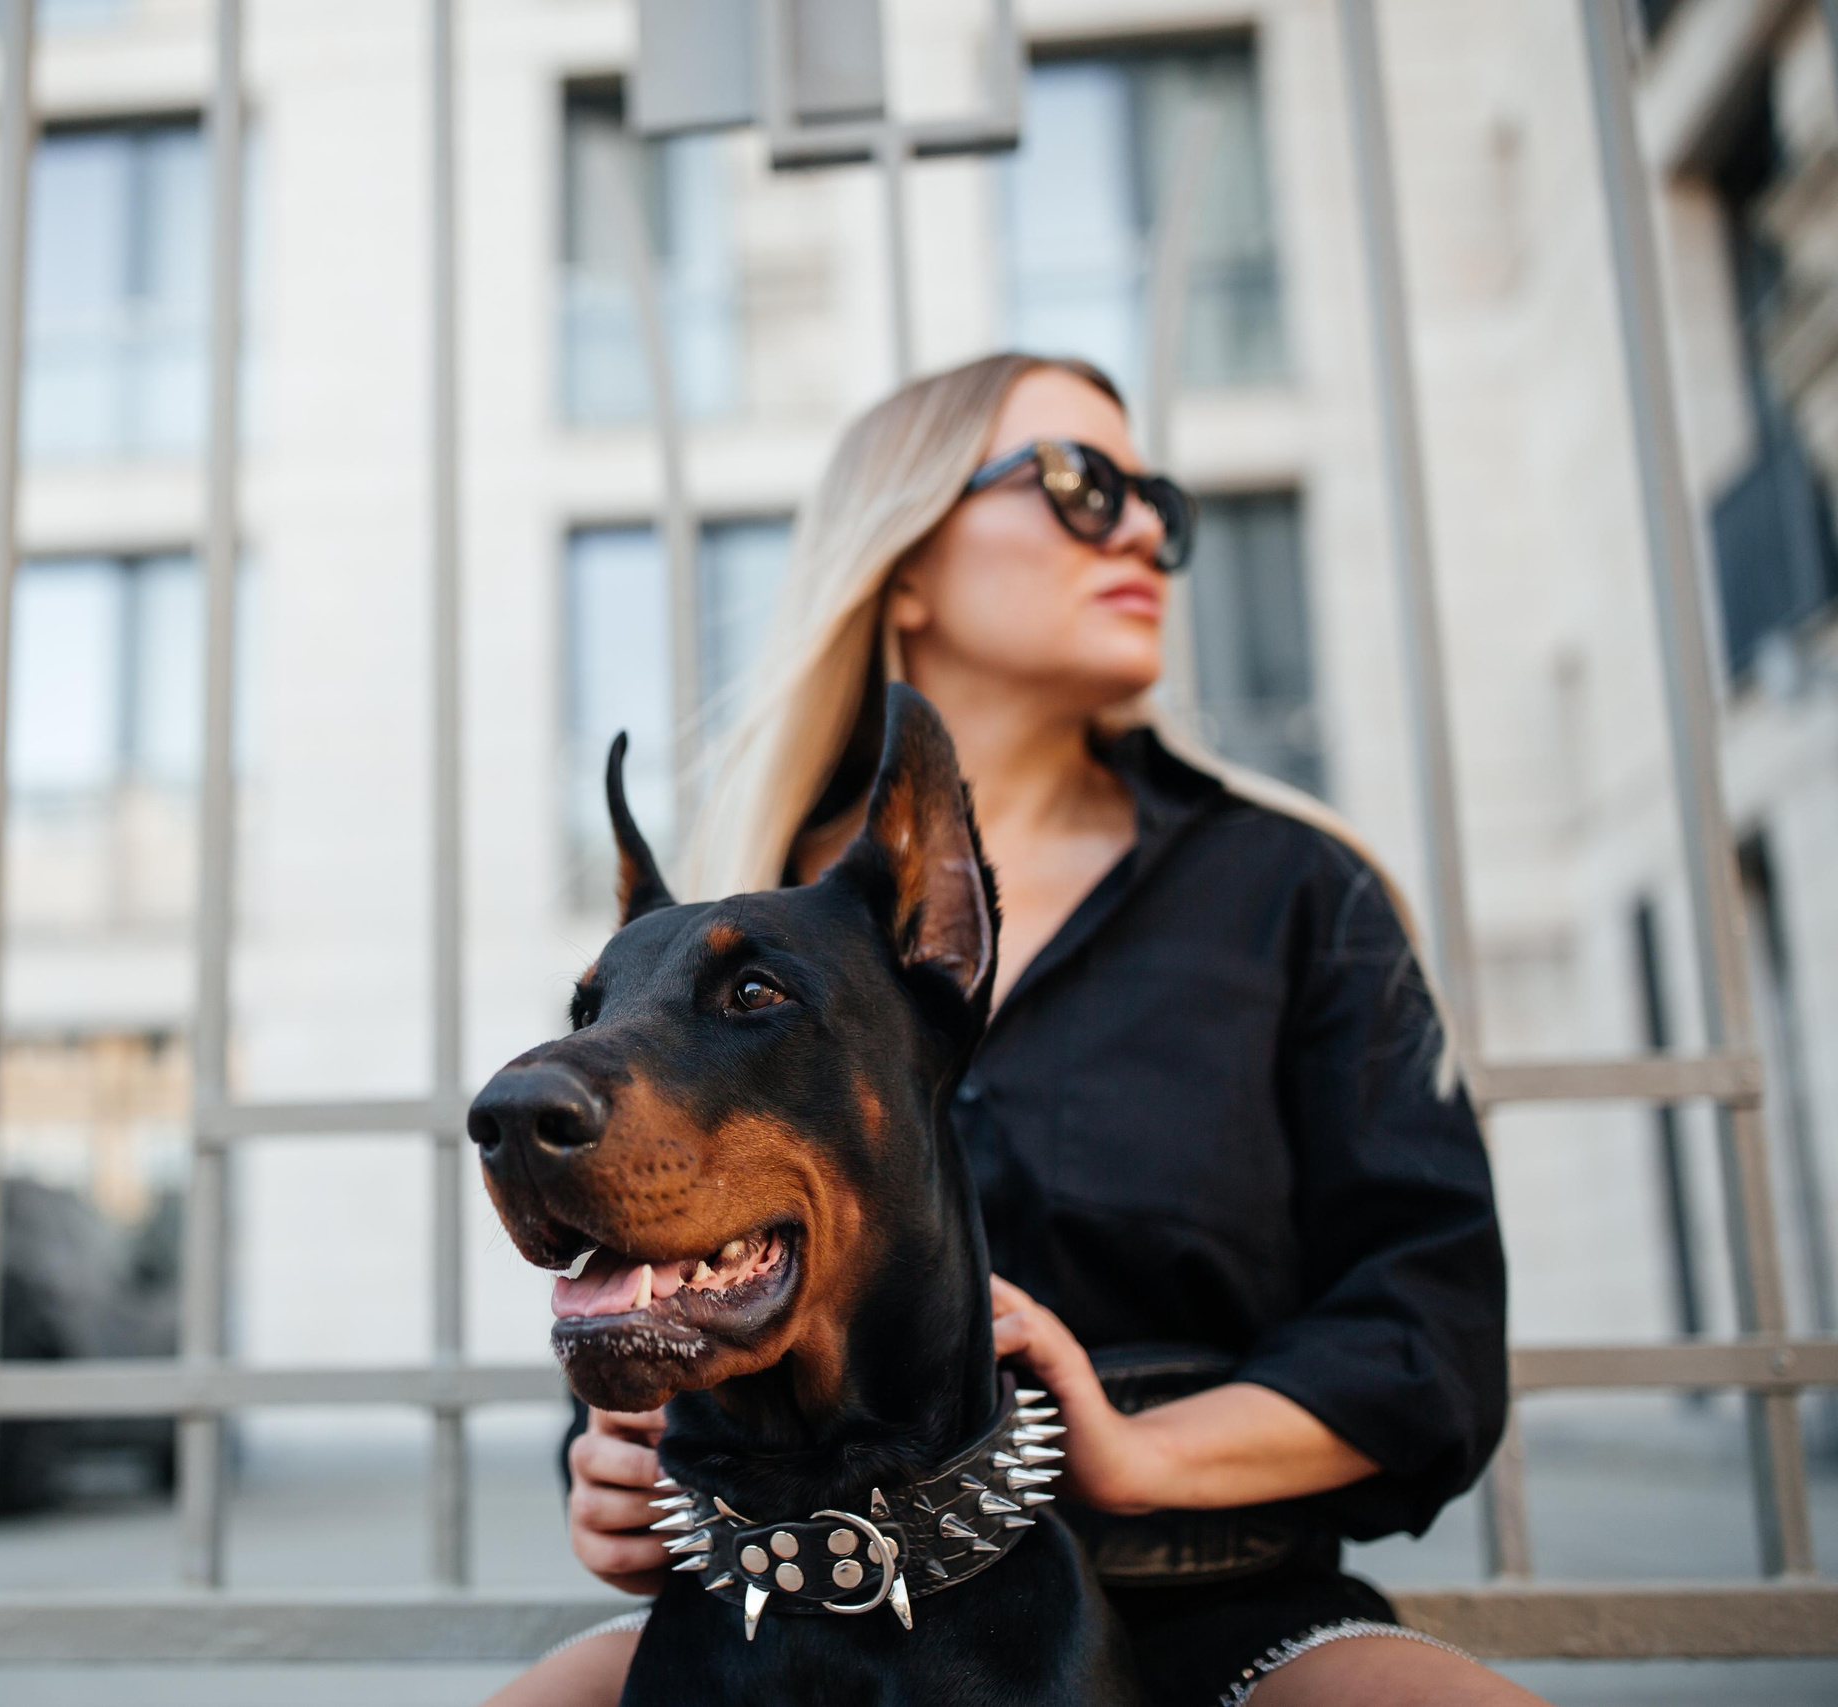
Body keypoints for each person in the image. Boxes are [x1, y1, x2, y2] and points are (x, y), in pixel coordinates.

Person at [488, 353, 1536, 1707]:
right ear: (905, 558)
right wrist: (612, 1465)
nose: (1148, 528)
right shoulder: (724, 924)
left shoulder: (1291, 891)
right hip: (782, 1614)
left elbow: (1427, 1328)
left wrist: (1139, 1454)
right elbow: (641, 1262)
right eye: (1078, 487)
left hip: (1220, 1613)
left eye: (1157, 498)